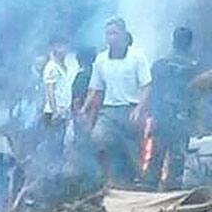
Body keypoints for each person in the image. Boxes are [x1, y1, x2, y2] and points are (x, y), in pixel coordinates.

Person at [82, 17, 152, 185]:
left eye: (114, 33)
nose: (110, 37)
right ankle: (108, 179)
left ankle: (136, 182)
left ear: (123, 34)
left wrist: (139, 108)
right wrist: (85, 107)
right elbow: (95, 88)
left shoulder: (137, 56)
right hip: (109, 112)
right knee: (98, 138)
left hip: (130, 111)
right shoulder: (101, 59)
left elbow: (146, 85)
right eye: (108, 34)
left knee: (133, 154)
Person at [146, 27, 199, 189]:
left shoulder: (159, 65)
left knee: (155, 158)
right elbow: (196, 97)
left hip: (161, 117)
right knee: (177, 163)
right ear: (190, 43)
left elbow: (152, 92)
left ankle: (147, 194)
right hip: (182, 120)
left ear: (173, 41)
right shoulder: (195, 68)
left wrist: (152, 116)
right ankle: (171, 196)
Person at [41, 37, 79, 163]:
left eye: (65, 46)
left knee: (60, 145)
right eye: (60, 46)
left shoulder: (63, 66)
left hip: (63, 112)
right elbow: (50, 90)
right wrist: (55, 111)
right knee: (53, 147)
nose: (64, 49)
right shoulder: (51, 67)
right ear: (53, 48)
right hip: (53, 114)